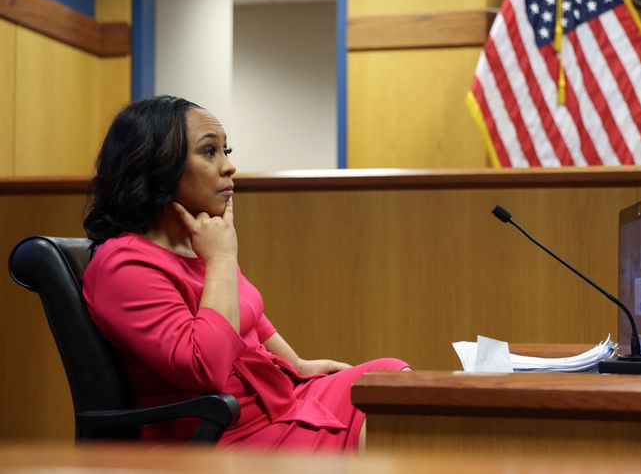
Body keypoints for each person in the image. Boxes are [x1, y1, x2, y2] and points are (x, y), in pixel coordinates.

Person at [82, 96, 410, 452]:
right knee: (386, 424)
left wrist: (297, 363)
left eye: (226, 150)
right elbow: (205, 367)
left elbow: (252, 316)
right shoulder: (125, 265)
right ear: (157, 164)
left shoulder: (197, 242)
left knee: (389, 380)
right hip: (224, 433)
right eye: (210, 152)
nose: (229, 167)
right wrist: (222, 260)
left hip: (274, 405)